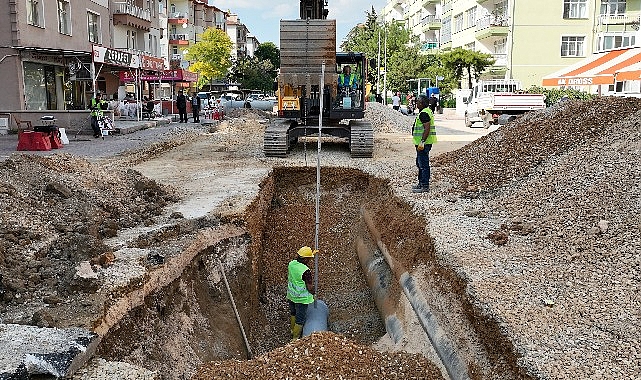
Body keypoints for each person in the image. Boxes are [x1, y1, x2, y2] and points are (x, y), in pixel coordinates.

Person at [287, 246, 318, 341]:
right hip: (301, 299)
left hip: (291, 295)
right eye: (309, 258)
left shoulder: (291, 264)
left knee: (293, 313)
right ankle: (295, 338)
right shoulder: (305, 271)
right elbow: (309, 287)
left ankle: (292, 330)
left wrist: (314, 253)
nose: (310, 260)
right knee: (300, 319)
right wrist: (314, 292)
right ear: (304, 259)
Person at [411, 95, 437, 193]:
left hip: (423, 143)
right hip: (422, 143)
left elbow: (427, 128)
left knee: (423, 164)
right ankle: (421, 183)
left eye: (418, 102)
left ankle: (424, 186)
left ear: (421, 103)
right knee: (419, 162)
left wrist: (422, 142)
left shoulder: (424, 114)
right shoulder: (426, 111)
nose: (416, 104)